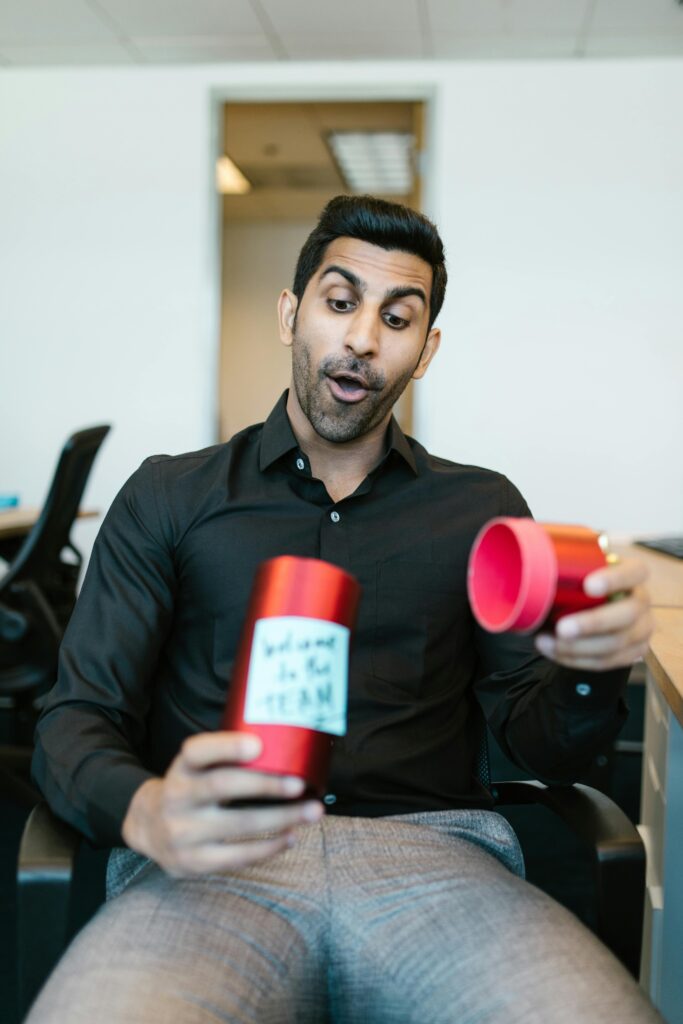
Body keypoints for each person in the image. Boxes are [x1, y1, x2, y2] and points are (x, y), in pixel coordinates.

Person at [28, 195, 659, 1023]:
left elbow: (545, 748)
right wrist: (145, 810)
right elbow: (77, 718)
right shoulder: (168, 496)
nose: (362, 338)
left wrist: (588, 670)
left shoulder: (481, 511)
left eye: (396, 319)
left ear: (425, 351)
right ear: (290, 315)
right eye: (338, 302)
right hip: (213, 866)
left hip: (435, 867)